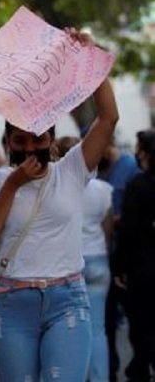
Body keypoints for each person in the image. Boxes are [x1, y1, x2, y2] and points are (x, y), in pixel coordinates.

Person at [0, 29, 118, 381]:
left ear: (51, 140)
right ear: (9, 143)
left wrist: (90, 54)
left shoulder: (71, 169)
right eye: (20, 140)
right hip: (12, 303)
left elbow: (108, 117)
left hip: (67, 300)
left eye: (38, 139)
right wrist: (13, 184)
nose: (29, 146)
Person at [57, 136, 114, 382]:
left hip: (70, 262)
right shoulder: (104, 189)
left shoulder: (58, 189)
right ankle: (100, 377)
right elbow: (108, 227)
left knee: (69, 329)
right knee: (98, 328)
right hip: (99, 257)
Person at [97, 135, 143, 381]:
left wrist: (118, 219)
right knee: (106, 321)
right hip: (104, 254)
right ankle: (110, 368)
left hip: (126, 255)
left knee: (136, 318)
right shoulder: (97, 171)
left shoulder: (129, 169)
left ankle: (138, 366)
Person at [113, 129, 155, 382]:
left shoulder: (138, 186)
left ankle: (139, 368)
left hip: (143, 268)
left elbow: (128, 231)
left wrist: (119, 267)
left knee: (142, 325)